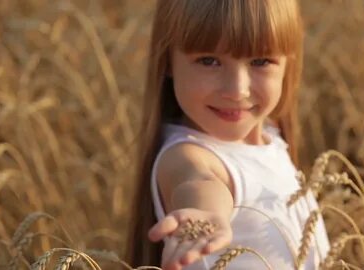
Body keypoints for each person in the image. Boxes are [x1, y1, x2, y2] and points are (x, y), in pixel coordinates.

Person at [125, 0, 330, 269]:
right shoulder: (186, 156)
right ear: (168, 62)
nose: (236, 90)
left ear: (287, 62)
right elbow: (199, 183)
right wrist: (205, 215)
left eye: (260, 61)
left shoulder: (271, 138)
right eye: (208, 61)